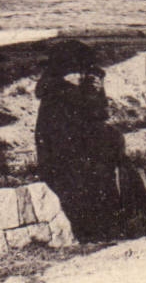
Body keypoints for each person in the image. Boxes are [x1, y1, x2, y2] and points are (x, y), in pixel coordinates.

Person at [34, 41, 127, 240]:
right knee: (91, 187)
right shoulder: (59, 93)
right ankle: (98, 235)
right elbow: (92, 118)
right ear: (62, 73)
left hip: (77, 159)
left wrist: (97, 91)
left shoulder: (68, 91)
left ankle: (108, 232)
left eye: (82, 71)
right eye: (74, 71)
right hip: (62, 163)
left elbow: (98, 117)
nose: (80, 76)